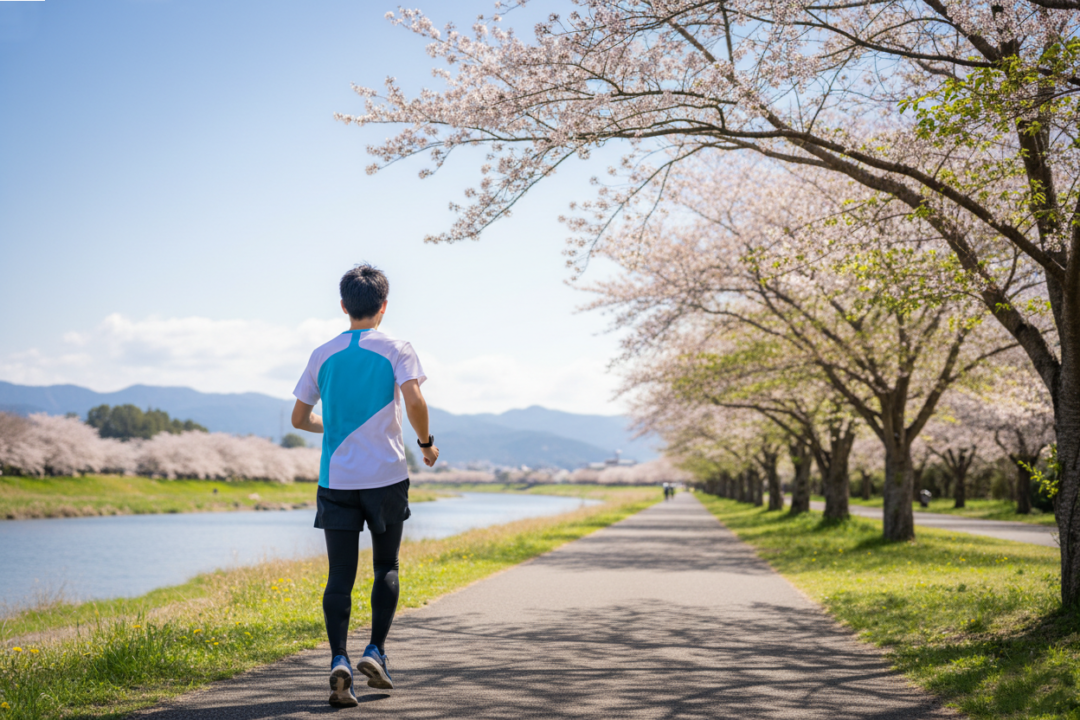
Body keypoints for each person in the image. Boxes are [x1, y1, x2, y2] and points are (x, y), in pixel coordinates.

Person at [291, 264, 439, 708]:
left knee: (340, 575)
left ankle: (339, 659)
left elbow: (299, 419)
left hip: (336, 478)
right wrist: (426, 444)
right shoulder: (397, 347)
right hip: (386, 476)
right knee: (386, 565)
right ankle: (375, 650)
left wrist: (334, 426)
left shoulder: (323, 353)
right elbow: (413, 399)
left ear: (343, 306)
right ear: (383, 306)